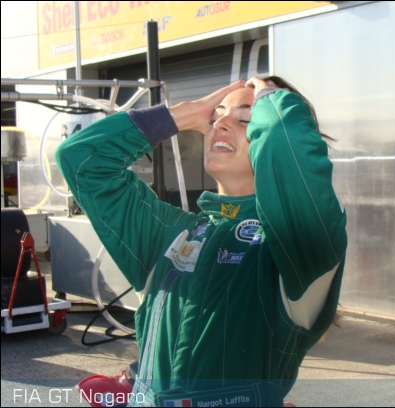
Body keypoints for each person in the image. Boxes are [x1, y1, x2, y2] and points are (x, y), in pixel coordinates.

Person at [56, 76, 348, 407]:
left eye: (246, 119)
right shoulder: (169, 233)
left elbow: (289, 152)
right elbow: (82, 159)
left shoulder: (296, 248)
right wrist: (183, 114)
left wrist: (271, 98)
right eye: (216, 116)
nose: (220, 123)